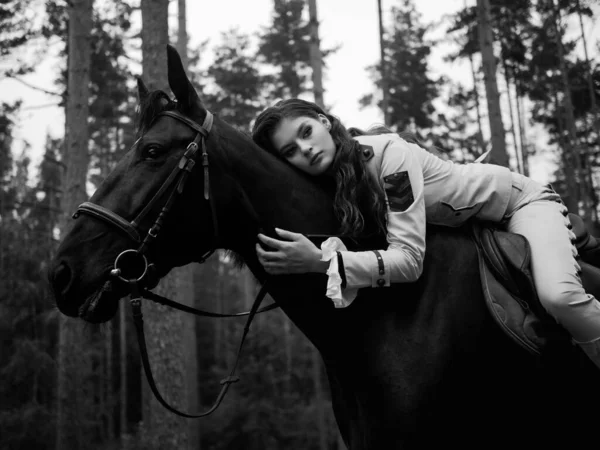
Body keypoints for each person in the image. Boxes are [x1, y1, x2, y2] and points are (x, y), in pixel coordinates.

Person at [251, 98, 600, 369]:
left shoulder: (389, 156)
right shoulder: (334, 184)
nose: (305, 149)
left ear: (324, 122)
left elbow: (409, 260)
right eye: (290, 151)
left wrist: (321, 263)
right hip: (472, 227)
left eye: (306, 132)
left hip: (516, 206)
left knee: (560, 298)